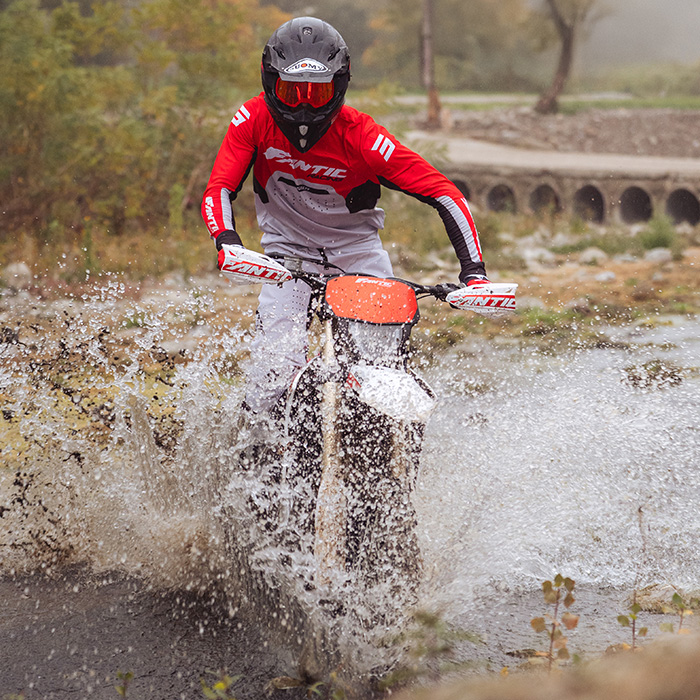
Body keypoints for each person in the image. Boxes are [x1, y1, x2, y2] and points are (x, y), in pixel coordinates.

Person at [202, 16, 489, 418]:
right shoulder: (253, 120)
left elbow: (445, 193)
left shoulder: (363, 137)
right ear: (270, 81)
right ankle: (257, 449)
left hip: (357, 256)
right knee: (270, 376)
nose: (304, 106)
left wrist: (474, 274)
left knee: (381, 376)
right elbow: (219, 188)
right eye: (291, 91)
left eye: (317, 93)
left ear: (338, 86)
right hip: (286, 258)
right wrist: (228, 242)